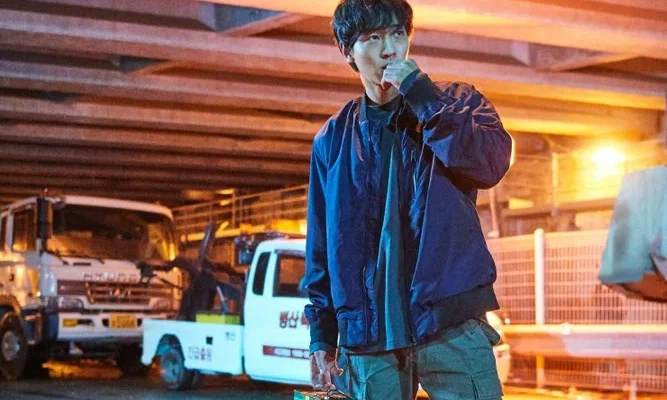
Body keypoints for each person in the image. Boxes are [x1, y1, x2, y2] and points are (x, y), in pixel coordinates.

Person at [303, 0, 513, 398]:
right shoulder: (332, 138)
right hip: (367, 338)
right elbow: (321, 246)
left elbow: (490, 165)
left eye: (398, 34)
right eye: (373, 38)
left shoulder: (456, 103)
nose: (389, 49)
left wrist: (423, 97)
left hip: (450, 324)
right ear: (347, 51)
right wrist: (322, 335)